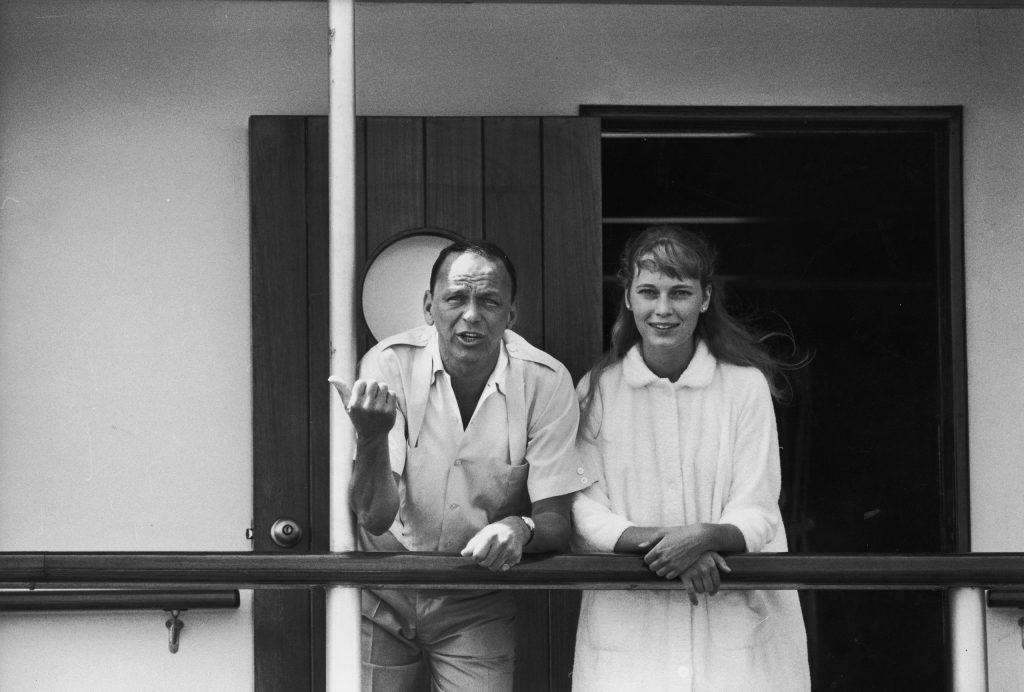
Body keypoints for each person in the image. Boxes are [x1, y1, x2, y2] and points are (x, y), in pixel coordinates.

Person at [331, 239, 588, 692]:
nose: (472, 315)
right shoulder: (388, 363)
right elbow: (374, 516)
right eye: (456, 298)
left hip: (477, 594)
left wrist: (519, 527)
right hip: (383, 588)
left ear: (511, 315)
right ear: (430, 307)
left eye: (489, 300)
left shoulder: (546, 381)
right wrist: (371, 437)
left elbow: (556, 520)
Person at [570, 226, 810, 691]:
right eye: (649, 292)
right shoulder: (597, 389)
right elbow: (581, 510)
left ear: (704, 298)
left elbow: (758, 508)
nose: (663, 309)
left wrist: (704, 536)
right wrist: (674, 545)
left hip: (734, 633)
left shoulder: (744, 387)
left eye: (680, 292)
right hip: (630, 634)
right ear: (628, 298)